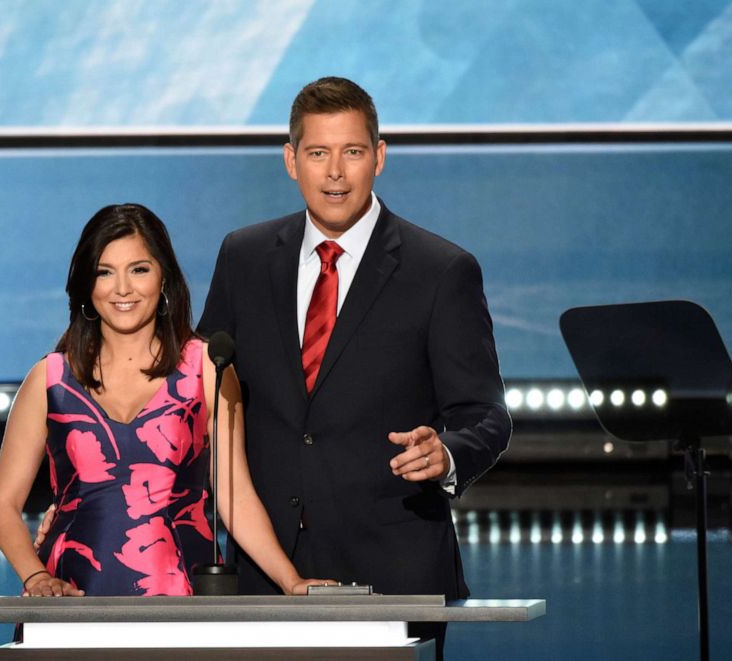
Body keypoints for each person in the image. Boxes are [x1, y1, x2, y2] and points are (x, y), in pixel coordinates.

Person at [196, 77, 512, 656]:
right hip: (266, 575)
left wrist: (445, 453)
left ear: (380, 157)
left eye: (352, 152)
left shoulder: (439, 270)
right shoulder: (243, 257)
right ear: (292, 161)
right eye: (318, 153)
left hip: (392, 574)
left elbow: (486, 416)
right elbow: (202, 398)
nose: (335, 172)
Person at [0, 203, 329, 597]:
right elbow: (2, 503)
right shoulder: (49, 380)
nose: (122, 289)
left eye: (139, 269)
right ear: (86, 284)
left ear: (163, 276)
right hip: (70, 596)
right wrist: (37, 578)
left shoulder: (208, 369)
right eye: (104, 272)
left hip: (182, 598)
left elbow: (237, 500)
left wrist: (291, 580)